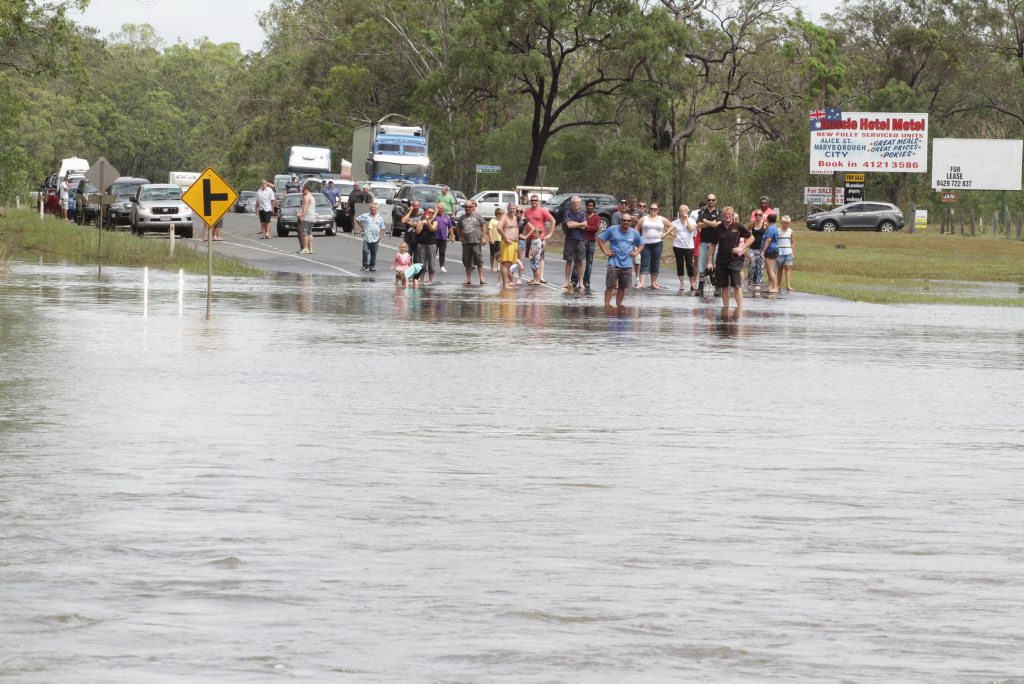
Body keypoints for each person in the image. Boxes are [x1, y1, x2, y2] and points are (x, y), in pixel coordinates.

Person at [707, 205, 753, 309]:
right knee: (724, 286)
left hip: (734, 261)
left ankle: (740, 308)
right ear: (722, 216)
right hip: (721, 261)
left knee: (737, 286)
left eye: (729, 215)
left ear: (732, 216)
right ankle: (726, 308)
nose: (727, 216)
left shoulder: (738, 226)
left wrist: (742, 248)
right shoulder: (718, 228)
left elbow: (751, 238)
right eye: (725, 215)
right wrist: (710, 261)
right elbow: (713, 245)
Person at [598, 213, 643, 309]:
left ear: (630, 222)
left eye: (628, 221)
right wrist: (606, 251)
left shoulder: (634, 232)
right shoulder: (612, 229)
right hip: (613, 263)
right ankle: (606, 305)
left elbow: (642, 244)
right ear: (621, 221)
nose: (626, 222)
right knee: (610, 286)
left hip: (627, 264)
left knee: (622, 287)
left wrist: (636, 253)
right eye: (624, 220)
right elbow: (600, 239)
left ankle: (618, 305)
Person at [637, 202, 672, 289]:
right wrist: (638, 238)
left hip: (657, 244)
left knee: (655, 263)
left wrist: (665, 234)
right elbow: (637, 227)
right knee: (645, 263)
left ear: (658, 210)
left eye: (655, 209)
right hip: (645, 244)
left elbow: (671, 226)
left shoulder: (661, 219)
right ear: (649, 209)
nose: (653, 210)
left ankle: (653, 283)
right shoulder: (644, 218)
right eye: (652, 209)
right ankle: (642, 283)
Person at [694, 193, 722, 297]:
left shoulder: (719, 211)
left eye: (713, 200)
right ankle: (700, 287)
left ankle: (718, 287)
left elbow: (718, 224)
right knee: (702, 265)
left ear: (716, 200)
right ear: (707, 200)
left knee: (715, 265)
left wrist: (705, 221)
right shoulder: (702, 211)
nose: (711, 202)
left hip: (715, 242)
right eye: (709, 200)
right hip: (703, 242)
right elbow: (699, 225)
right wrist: (711, 223)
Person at [523, 194, 554, 285]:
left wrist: (550, 234)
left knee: (540, 257)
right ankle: (535, 277)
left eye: (536, 200)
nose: (534, 202)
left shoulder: (543, 210)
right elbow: (525, 223)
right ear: (530, 201)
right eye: (532, 200)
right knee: (532, 257)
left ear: (538, 201)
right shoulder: (527, 211)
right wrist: (525, 234)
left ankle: (541, 277)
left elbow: (553, 221)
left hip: (540, 238)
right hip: (531, 238)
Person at [571, 199, 601, 291]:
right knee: (578, 260)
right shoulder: (582, 214)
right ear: (586, 206)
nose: (590, 207)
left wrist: (585, 227)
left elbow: (596, 228)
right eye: (588, 205)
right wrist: (582, 226)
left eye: (592, 206)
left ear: (594, 207)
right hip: (581, 240)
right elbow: (576, 224)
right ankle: (574, 280)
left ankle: (586, 280)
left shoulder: (597, 217)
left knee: (589, 262)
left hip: (591, 241)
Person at [457, 199, 488, 285]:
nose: (467, 208)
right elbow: (458, 227)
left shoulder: (477, 215)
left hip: (476, 241)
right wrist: (460, 236)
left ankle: (481, 278)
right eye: (466, 207)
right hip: (466, 243)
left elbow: (484, 225)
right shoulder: (462, 217)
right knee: (467, 262)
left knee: (479, 260)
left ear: (472, 207)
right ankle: (468, 279)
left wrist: (484, 237)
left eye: (469, 207)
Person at [668, 204, 697, 291]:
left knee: (689, 264)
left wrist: (687, 219)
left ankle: (692, 283)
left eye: (685, 211)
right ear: (679, 212)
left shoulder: (691, 220)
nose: (683, 213)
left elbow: (691, 229)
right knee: (680, 264)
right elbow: (668, 227)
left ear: (687, 212)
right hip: (678, 246)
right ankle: (682, 284)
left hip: (689, 246)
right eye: (681, 211)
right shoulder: (676, 222)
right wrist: (673, 235)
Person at [562, 196, 587, 290]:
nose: (576, 204)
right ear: (571, 204)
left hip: (580, 239)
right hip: (570, 239)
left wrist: (574, 223)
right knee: (569, 260)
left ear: (579, 203)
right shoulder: (568, 212)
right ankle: (567, 282)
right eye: (574, 202)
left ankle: (580, 283)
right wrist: (580, 223)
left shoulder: (583, 213)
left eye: (577, 202)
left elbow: (585, 227)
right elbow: (569, 225)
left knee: (580, 261)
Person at [357, 202, 385, 271]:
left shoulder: (379, 218)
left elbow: (383, 228)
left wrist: (380, 236)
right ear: (370, 208)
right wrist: (362, 227)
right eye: (372, 208)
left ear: (376, 209)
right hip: (367, 237)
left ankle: (372, 266)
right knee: (365, 251)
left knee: (374, 253)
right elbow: (357, 219)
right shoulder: (366, 216)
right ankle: (365, 265)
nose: (373, 209)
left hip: (375, 238)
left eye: (374, 208)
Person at [496, 206, 520, 288]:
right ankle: (505, 284)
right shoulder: (504, 217)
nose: (512, 210)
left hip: (515, 243)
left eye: (513, 208)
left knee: (510, 264)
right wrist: (505, 238)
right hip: (507, 243)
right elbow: (498, 227)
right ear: (507, 209)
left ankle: (508, 282)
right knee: (506, 264)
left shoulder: (516, 217)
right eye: (510, 208)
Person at [415, 206, 439, 285]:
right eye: (429, 212)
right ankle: (422, 281)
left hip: (431, 244)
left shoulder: (435, 221)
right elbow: (417, 231)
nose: (430, 214)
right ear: (426, 213)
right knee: (422, 263)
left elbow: (432, 229)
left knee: (431, 263)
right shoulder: (421, 221)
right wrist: (422, 223)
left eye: (432, 212)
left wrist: (428, 221)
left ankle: (430, 280)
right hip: (421, 244)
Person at [746, 209, 768, 296]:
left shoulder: (765, 224)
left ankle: (759, 282)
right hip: (752, 248)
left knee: (760, 266)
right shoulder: (752, 224)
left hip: (761, 249)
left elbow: (769, 234)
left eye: (759, 215)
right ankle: (751, 280)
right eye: (756, 215)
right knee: (751, 264)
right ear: (754, 216)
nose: (758, 216)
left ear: (762, 215)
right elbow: (746, 231)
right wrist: (746, 241)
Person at [761, 214, 781, 293]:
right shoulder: (774, 227)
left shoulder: (771, 229)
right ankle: (771, 286)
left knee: (770, 270)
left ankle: (775, 287)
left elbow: (768, 240)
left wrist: (763, 250)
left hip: (770, 250)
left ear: (768, 220)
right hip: (774, 249)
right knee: (770, 270)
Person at [776, 215, 795, 292]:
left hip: (788, 252)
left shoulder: (791, 231)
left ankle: (788, 285)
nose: (786, 225)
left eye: (787, 223)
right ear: (781, 222)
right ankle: (778, 285)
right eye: (784, 223)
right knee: (780, 268)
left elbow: (793, 242)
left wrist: (792, 252)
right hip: (779, 252)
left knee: (788, 268)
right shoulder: (777, 231)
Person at [434, 203, 454, 273]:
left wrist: (452, 236)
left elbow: (450, 227)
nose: (440, 210)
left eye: (442, 208)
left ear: (444, 209)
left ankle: (442, 266)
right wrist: (435, 212)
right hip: (434, 238)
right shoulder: (434, 216)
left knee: (442, 253)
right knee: (433, 252)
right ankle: (432, 266)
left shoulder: (447, 217)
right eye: (439, 208)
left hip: (443, 238)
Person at [296, 186, 315, 254]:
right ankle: (310, 248)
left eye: (303, 190)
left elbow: (305, 207)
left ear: (306, 189)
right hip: (312, 217)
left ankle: (305, 248)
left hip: (307, 217)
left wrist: (302, 215)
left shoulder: (306, 197)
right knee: (309, 233)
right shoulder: (312, 197)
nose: (302, 192)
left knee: (305, 233)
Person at [487, 208, 503, 272]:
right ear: (497, 215)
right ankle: (491, 266)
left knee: (499, 253)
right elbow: (490, 230)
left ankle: (498, 266)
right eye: (501, 215)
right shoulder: (492, 221)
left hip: (500, 239)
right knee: (492, 254)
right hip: (493, 239)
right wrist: (491, 238)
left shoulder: (502, 221)